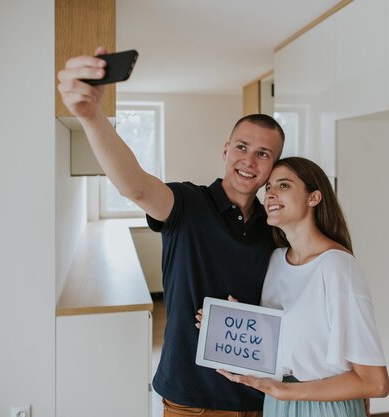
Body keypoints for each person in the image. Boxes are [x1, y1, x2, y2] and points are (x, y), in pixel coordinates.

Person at [58, 47, 285, 416]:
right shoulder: (187, 204)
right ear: (226, 150)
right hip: (189, 399)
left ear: (273, 167)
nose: (249, 159)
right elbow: (135, 186)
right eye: (242, 147)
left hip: (259, 397)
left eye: (264, 154)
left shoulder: (275, 228)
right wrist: (91, 116)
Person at [212, 157, 389, 417]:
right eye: (268, 187)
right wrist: (236, 324)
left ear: (313, 198)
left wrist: (288, 393)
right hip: (277, 404)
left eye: (283, 185)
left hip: (323, 407)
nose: (270, 193)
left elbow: (376, 382)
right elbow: (287, 346)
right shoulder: (275, 260)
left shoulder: (337, 267)